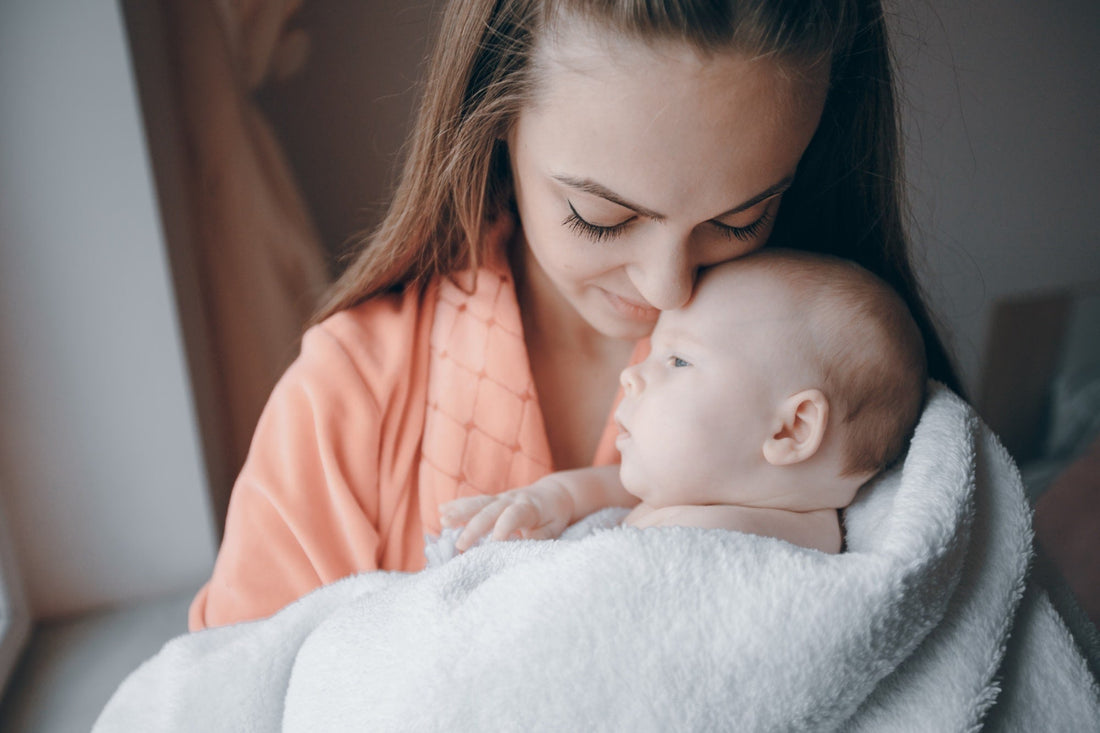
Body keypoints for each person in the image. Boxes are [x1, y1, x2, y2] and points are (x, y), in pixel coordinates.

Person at [188, 0, 960, 631]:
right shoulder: (348, 399)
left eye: (740, 217)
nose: (664, 289)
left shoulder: (855, 384)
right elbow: (229, 694)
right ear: (493, 124)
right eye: (599, 215)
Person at [439, 249, 927, 555]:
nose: (632, 376)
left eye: (677, 362)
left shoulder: (775, 550)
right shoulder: (698, 494)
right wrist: (553, 497)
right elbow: (610, 489)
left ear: (791, 430)